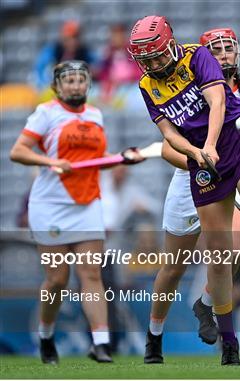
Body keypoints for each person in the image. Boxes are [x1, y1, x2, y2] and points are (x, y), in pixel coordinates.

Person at [128, 16, 240, 366]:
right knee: (175, 267)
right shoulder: (149, 84)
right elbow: (168, 140)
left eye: (157, 56)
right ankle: (154, 335)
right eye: (145, 60)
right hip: (194, 171)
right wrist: (196, 154)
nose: (153, 65)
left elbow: (220, 105)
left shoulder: (236, 82)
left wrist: (214, 145)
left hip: (235, 151)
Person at [9, 60, 143, 364]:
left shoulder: (95, 114)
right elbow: (18, 151)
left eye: (80, 80)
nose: (75, 85)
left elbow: (96, 160)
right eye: (68, 81)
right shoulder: (46, 113)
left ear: (87, 85)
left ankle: (101, 344)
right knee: (57, 279)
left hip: (87, 204)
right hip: (51, 205)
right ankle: (46, 335)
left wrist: (122, 158)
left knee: (91, 274)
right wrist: (50, 163)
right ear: (58, 86)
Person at [34, 21, 97, 92]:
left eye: (75, 37)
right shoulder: (53, 50)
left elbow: (97, 69)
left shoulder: (85, 52)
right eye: (69, 38)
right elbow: (40, 71)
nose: (72, 41)